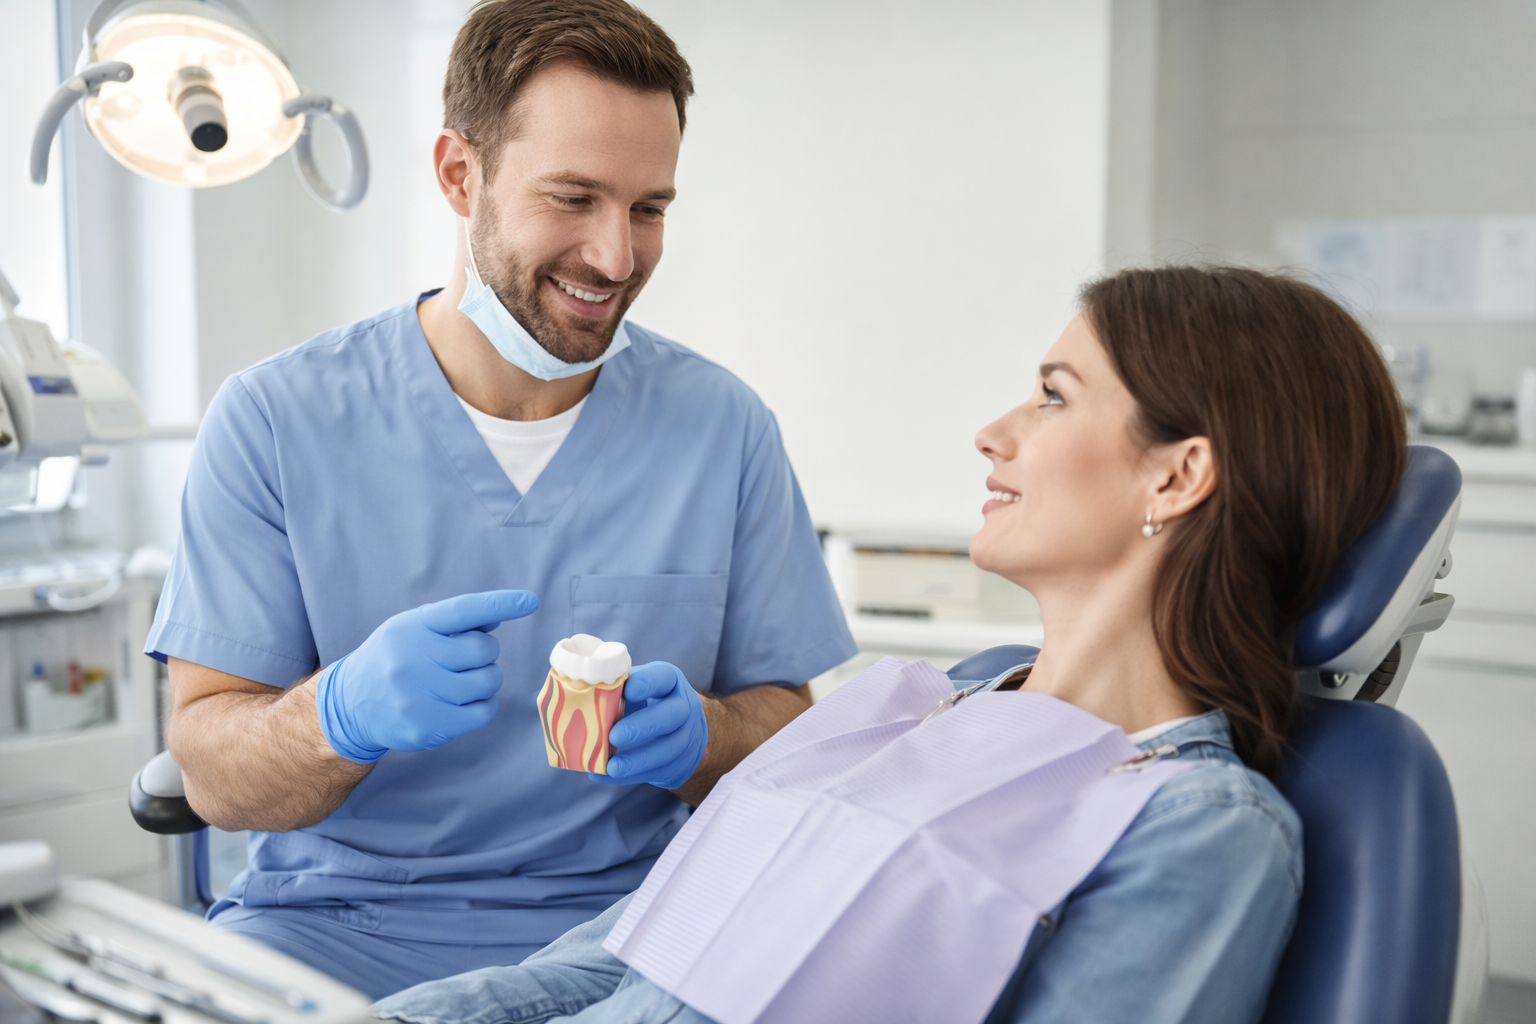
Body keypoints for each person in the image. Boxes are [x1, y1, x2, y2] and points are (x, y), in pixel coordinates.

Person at [371, 265, 1408, 1024]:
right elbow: (615, 961)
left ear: (1177, 477)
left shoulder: (1199, 828)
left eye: (1053, 396)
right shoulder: (914, 704)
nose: (994, 432)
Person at [145, 0, 855, 999]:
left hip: (629, 933)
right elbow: (212, 772)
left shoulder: (722, 427)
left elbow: (788, 727)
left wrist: (709, 736)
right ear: (457, 174)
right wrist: (336, 716)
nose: (617, 257)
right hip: (338, 929)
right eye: (573, 198)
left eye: (649, 209)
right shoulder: (275, 419)